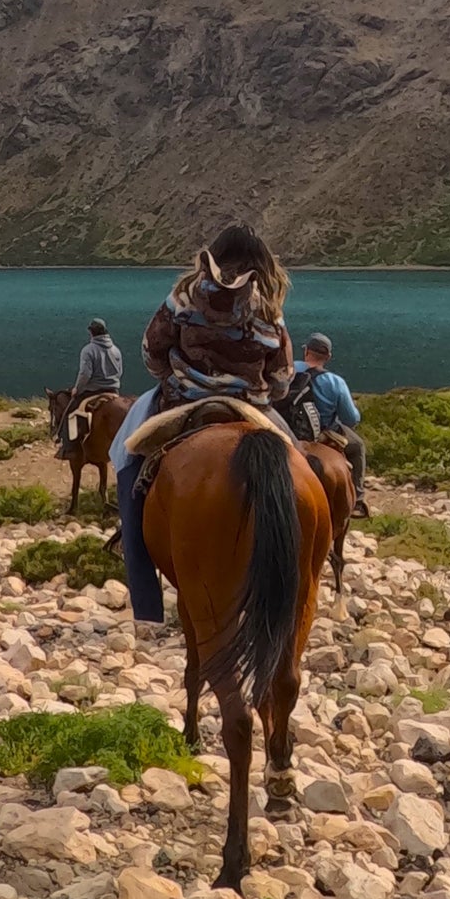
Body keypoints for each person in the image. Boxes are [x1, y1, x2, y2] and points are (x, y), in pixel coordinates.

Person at [110, 224, 295, 624]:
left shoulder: (183, 297)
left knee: (124, 458)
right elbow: (281, 377)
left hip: (182, 400)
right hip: (252, 408)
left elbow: (151, 349)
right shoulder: (269, 309)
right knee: (298, 463)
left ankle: (144, 596)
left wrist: (172, 377)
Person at [298, 332, 367, 515]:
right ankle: (358, 500)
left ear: (306, 351)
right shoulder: (336, 382)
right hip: (322, 434)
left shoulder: (289, 371)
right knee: (358, 447)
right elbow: (350, 419)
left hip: (287, 429)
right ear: (328, 357)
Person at [56, 318, 124, 457]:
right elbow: (120, 371)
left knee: (70, 412)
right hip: (113, 390)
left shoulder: (88, 350)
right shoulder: (116, 350)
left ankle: (69, 448)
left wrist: (77, 389)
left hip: (93, 390)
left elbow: (85, 374)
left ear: (91, 333)